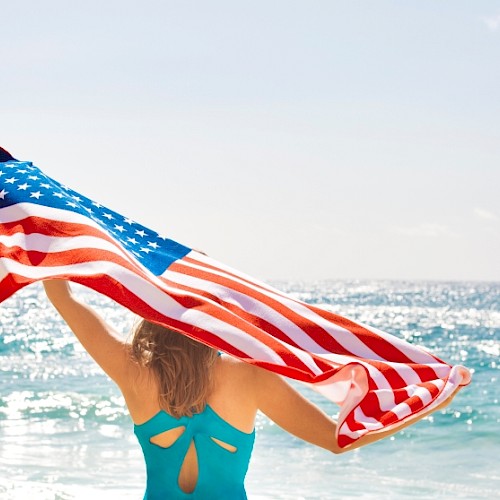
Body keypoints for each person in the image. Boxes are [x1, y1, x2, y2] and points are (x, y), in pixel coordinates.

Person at [43, 279, 462, 499]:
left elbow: (61, 296)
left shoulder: (134, 372)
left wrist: (49, 224)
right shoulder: (248, 377)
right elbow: (339, 440)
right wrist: (428, 402)